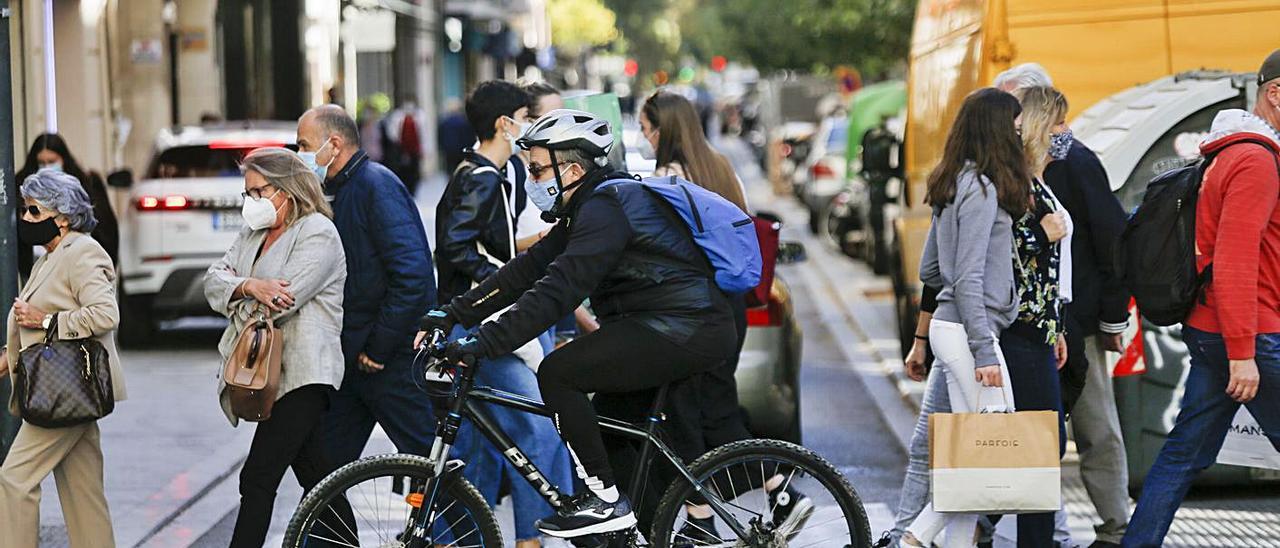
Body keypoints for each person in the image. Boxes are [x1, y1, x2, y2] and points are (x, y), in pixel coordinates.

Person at [416, 109, 739, 539]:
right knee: (606, 431)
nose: (530, 179)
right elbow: (525, 271)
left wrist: (483, 341)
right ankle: (628, 524)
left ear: (570, 169)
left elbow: (556, 293)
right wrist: (454, 313)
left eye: (535, 169)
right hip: (662, 325)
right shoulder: (586, 207)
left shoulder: (606, 209)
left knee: (559, 373)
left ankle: (605, 500)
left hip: (684, 327)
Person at [636, 89, 811, 543]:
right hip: (728, 306)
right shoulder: (717, 164)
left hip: (694, 309)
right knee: (715, 406)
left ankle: (702, 516)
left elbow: (667, 251)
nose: (643, 136)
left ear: (663, 128)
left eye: (645, 127)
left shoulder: (670, 175)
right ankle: (777, 491)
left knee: (685, 412)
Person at [1124, 49, 1280, 547]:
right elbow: (1235, 261)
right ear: (1276, 94)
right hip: (1252, 334)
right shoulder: (1255, 161)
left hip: (1215, 329)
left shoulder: (1226, 150)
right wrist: (1243, 354)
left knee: (1183, 453)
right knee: (1184, 454)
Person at [434, 80, 572, 548]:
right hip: (481, 322)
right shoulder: (481, 177)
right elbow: (455, 246)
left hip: (477, 317)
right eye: (524, 117)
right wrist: (500, 280)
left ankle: (452, 539)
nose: (528, 126)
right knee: (538, 429)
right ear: (504, 124)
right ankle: (530, 542)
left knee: (477, 450)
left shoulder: (485, 173)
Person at [203, 148, 355, 548]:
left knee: (258, 477)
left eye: (258, 190)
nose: (251, 201)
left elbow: (284, 299)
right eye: (247, 193)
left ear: (287, 188)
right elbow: (212, 281)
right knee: (318, 478)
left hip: (305, 372)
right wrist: (249, 285)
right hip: (270, 373)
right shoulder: (252, 233)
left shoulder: (317, 232)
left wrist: (238, 291)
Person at [900, 88, 1026, 548]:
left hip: (950, 327)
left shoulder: (954, 183)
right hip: (971, 331)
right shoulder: (981, 189)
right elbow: (968, 278)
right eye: (1014, 126)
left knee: (977, 452)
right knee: (989, 458)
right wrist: (983, 349)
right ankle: (912, 539)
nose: (1019, 133)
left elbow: (931, 269)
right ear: (996, 129)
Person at [294, 105, 438, 467]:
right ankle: (327, 528)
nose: (300, 156)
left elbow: (413, 274)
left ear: (335, 143)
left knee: (431, 464)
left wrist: (378, 348)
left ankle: (460, 526)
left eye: (304, 145)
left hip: (387, 361)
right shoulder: (339, 190)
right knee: (323, 467)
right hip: (353, 358)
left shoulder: (376, 185)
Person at [0, 170, 128, 548]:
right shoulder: (52, 255)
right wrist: (11, 356)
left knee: (15, 478)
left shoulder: (82, 252)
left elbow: (106, 314)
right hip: (71, 389)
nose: (25, 219)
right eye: (25, 210)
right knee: (82, 492)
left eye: (34, 211)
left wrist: (47, 320)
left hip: (64, 388)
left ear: (64, 217)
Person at [1037, 86, 1132, 548]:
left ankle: (1116, 528)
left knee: (1095, 429)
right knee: (1038, 431)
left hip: (1078, 324)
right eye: (1056, 123)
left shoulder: (1075, 162)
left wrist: (1113, 319)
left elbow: (1113, 239)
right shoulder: (1023, 170)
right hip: (1041, 325)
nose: (1063, 132)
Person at [14, 134, 119, 277]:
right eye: (41, 162)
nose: (46, 167)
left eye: (51, 161)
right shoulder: (23, 187)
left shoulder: (86, 185)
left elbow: (106, 228)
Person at [438, 98, 476, 174]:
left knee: (450, 170)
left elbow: (440, 137)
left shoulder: (444, 122)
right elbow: (468, 137)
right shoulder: (464, 122)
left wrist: (441, 148)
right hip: (460, 150)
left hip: (448, 151)